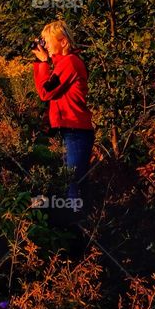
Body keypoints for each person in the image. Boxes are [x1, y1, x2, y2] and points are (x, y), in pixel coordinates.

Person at [31, 20, 94, 208]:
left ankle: (76, 224)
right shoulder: (63, 63)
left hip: (76, 131)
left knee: (71, 184)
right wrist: (45, 61)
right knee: (71, 183)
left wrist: (42, 62)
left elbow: (46, 92)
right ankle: (81, 222)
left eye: (48, 42)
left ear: (64, 42)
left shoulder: (70, 63)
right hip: (72, 131)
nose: (46, 46)